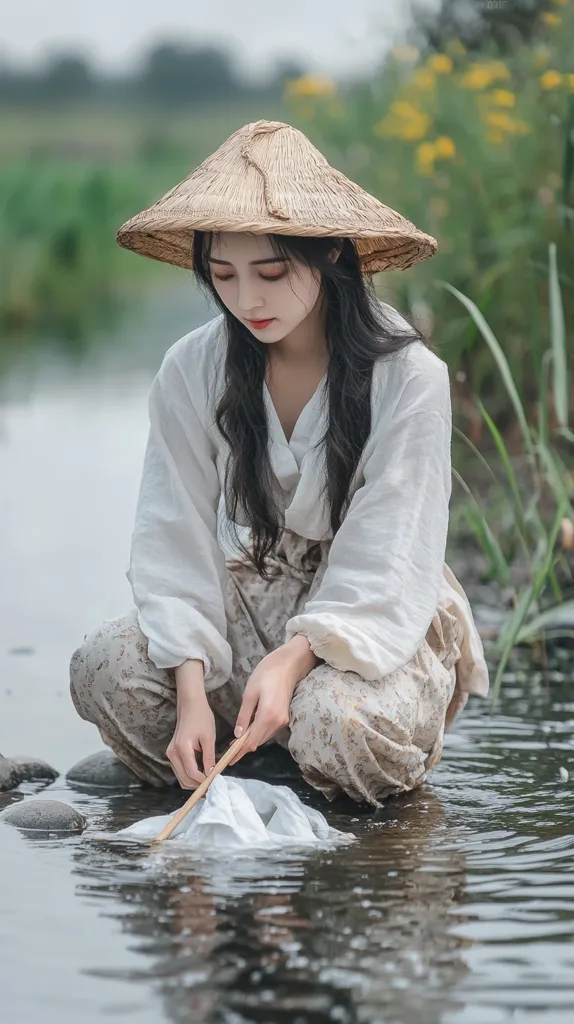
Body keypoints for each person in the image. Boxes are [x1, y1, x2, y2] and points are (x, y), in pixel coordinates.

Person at [69, 119, 489, 807]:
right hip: (259, 587)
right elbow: (172, 533)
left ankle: (318, 769)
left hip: (374, 611)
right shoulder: (192, 367)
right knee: (103, 668)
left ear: (329, 254)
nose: (247, 301)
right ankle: (244, 769)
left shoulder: (410, 375)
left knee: (337, 722)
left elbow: (388, 554)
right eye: (223, 275)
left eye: (270, 272)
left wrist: (295, 661)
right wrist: (191, 692)